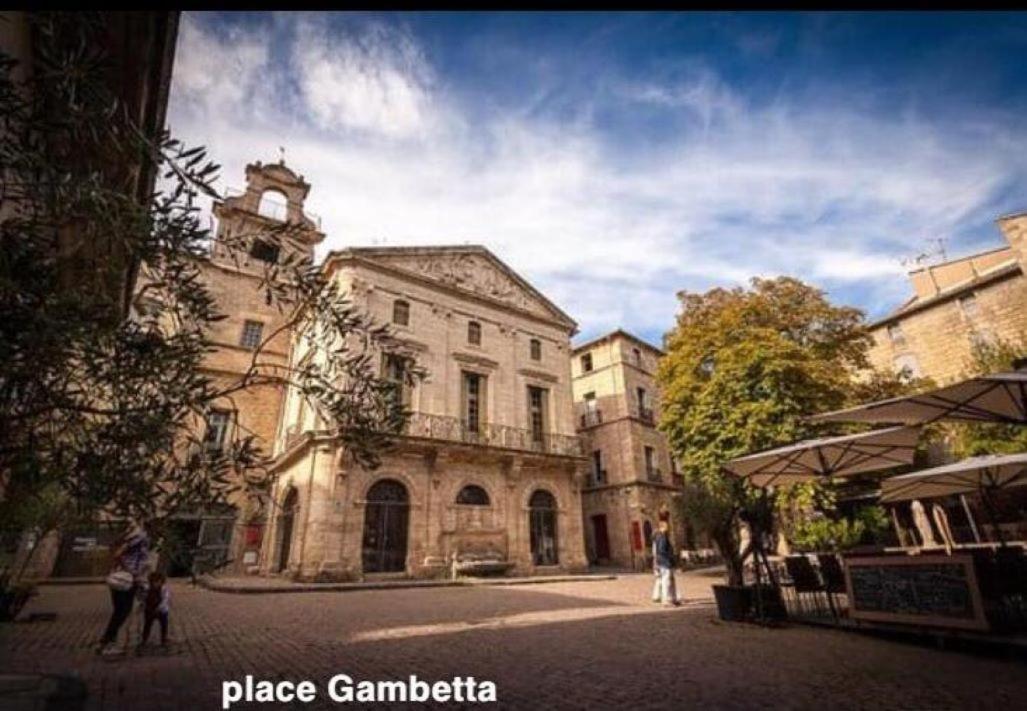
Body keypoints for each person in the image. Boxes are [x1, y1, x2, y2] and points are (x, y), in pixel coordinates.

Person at [98, 522, 150, 656]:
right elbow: (118, 554)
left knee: (120, 611)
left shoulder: (135, 537)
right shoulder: (140, 537)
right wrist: (131, 571)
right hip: (125, 579)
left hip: (124, 578)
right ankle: (107, 642)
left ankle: (108, 641)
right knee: (122, 611)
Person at [650, 520, 681, 606]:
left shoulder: (658, 537)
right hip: (665, 561)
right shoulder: (662, 537)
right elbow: (662, 549)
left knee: (669, 580)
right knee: (666, 581)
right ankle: (667, 599)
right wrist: (670, 557)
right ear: (662, 528)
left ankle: (672, 598)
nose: (668, 529)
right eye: (666, 527)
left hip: (662, 561)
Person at [140, 570, 170, 648]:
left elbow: (165, 599)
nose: (156, 584)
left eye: (158, 582)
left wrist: (159, 608)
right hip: (149, 609)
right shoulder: (147, 589)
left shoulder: (164, 589)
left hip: (162, 610)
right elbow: (143, 598)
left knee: (164, 625)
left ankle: (164, 639)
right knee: (147, 625)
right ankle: (144, 639)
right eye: (154, 582)